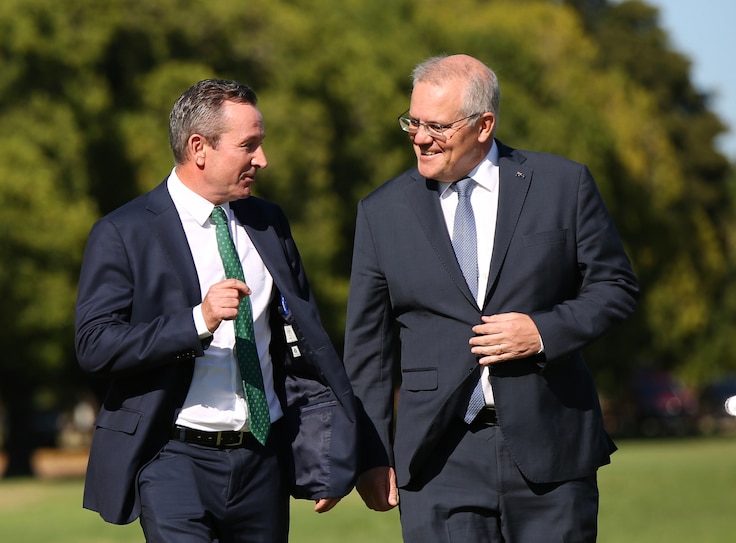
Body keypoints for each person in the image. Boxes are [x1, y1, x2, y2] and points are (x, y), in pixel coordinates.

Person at [343, 54, 639, 542]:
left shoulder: (563, 185)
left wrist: (543, 332)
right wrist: (370, 455)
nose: (419, 137)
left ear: (484, 125)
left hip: (552, 450)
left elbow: (615, 288)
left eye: (436, 126)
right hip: (437, 458)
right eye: (412, 122)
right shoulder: (381, 211)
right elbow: (368, 349)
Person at [75, 79, 358, 542]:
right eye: (249, 145)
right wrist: (197, 321)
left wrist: (333, 451)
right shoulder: (123, 232)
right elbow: (94, 345)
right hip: (173, 458)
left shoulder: (270, 223)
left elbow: (304, 346)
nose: (262, 159)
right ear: (199, 147)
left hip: (262, 460)